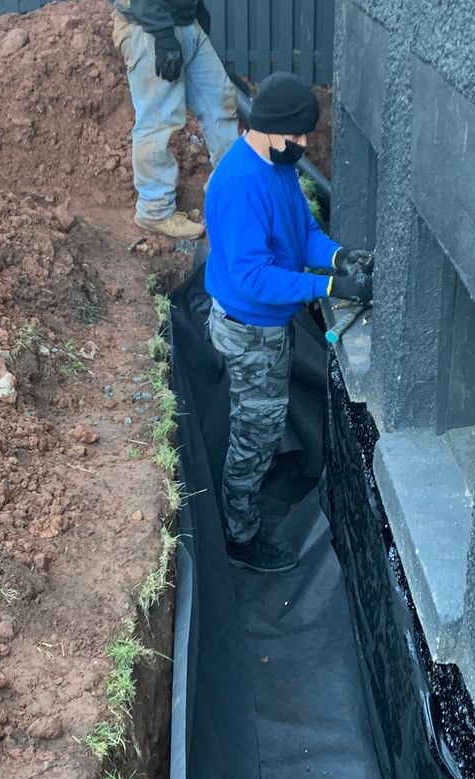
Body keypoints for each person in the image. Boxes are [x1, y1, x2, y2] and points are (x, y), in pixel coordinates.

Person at [204, 72, 373, 573]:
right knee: (254, 435)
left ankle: (247, 500)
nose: (302, 145)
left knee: (261, 423)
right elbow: (255, 277)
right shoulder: (238, 184)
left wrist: (338, 258)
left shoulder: (276, 167)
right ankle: (240, 538)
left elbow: (302, 231)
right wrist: (326, 288)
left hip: (268, 326)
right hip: (250, 329)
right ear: (267, 127)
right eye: (296, 136)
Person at [111, 0, 237, 239]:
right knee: (160, 118)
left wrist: (196, 9)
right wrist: (163, 34)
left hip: (186, 23)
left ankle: (229, 186)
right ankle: (154, 209)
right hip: (148, 27)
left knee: (221, 100)